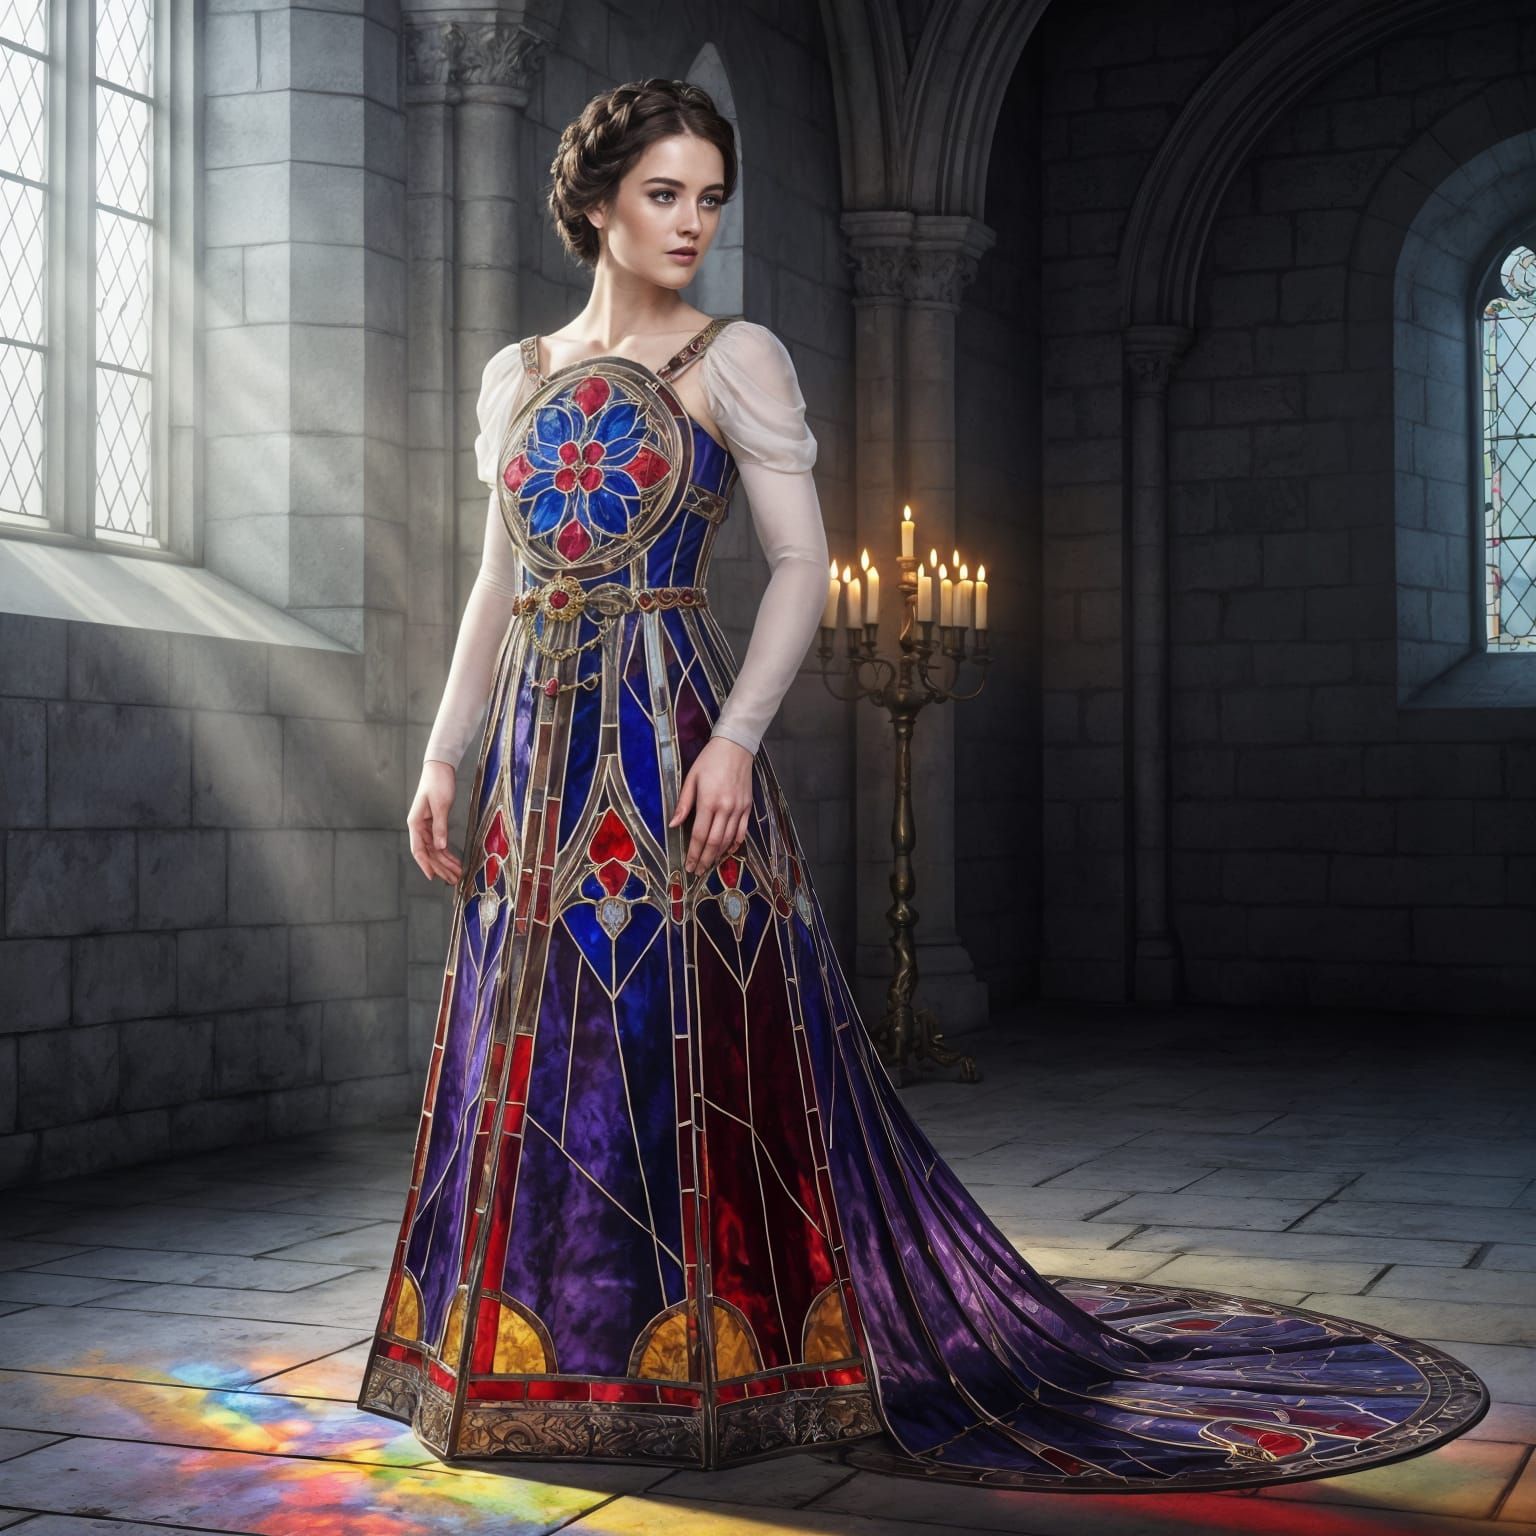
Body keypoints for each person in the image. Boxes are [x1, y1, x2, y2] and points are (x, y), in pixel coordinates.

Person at [357, 78, 1486, 1488]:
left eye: (711, 195)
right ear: (593, 204)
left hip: (670, 731)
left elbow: (800, 568)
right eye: (666, 193)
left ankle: (725, 1354)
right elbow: (495, 581)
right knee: (540, 1049)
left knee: (687, 1037)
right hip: (538, 744)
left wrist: (737, 740)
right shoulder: (516, 377)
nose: (694, 220)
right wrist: (443, 752)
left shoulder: (734, 357)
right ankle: (539, 1355)